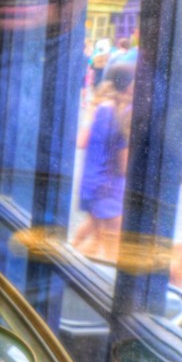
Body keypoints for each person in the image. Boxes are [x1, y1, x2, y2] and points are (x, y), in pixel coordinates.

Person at [71, 63, 135, 260]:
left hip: (91, 182)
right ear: (129, 85)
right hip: (110, 186)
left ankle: (64, 259)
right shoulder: (125, 112)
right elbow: (123, 166)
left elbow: (81, 141)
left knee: (94, 233)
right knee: (113, 243)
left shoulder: (100, 106)